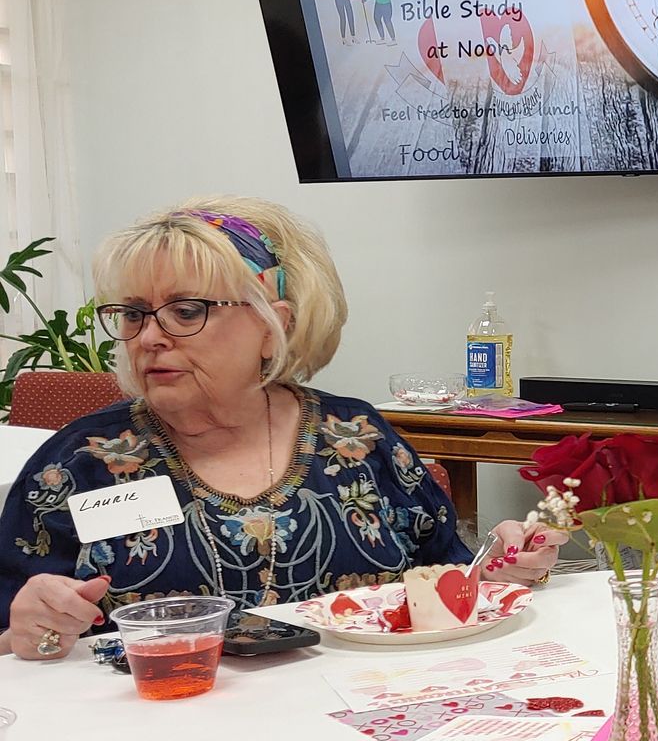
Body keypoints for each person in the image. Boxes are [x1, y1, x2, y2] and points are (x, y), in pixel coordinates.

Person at [0, 197, 555, 660]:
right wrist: (29, 632)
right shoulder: (79, 465)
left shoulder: (356, 439)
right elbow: (15, 632)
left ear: (274, 326)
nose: (149, 337)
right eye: (134, 314)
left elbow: (449, 583)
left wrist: (505, 565)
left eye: (186, 311)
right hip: (162, 739)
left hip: (366, 725)